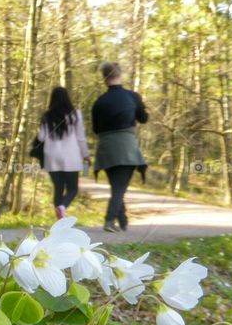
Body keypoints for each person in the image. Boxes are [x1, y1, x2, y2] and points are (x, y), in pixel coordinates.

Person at [91, 62, 149, 232]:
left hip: (106, 148)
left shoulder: (99, 102)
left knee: (117, 185)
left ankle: (123, 221)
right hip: (126, 147)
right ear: (120, 75)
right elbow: (144, 118)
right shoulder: (132, 96)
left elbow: (95, 129)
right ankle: (109, 220)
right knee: (119, 187)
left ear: (104, 78)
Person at [37, 86, 90, 220]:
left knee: (58, 188)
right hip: (70, 156)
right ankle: (63, 207)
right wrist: (85, 155)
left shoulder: (46, 116)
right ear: (67, 98)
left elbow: (41, 137)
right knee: (72, 188)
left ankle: (59, 220)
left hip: (51, 156)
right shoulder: (75, 114)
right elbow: (80, 137)